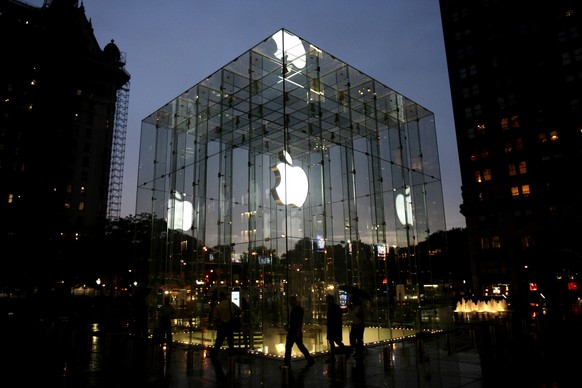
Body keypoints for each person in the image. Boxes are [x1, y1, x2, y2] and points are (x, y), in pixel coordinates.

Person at [283, 295, 315, 368]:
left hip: (294, 331)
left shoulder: (297, 309)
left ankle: (287, 363)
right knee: (300, 346)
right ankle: (310, 359)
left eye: (290, 301)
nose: (289, 303)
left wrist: (297, 330)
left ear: (294, 301)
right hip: (295, 330)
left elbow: (299, 321)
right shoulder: (297, 309)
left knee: (289, 347)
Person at [209, 291, 241, 358]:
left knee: (219, 341)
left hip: (222, 325)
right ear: (225, 297)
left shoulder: (218, 306)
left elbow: (215, 317)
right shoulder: (230, 304)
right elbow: (239, 310)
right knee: (230, 341)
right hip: (230, 324)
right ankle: (231, 354)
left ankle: (214, 354)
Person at [325, 294, 345, 363]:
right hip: (334, 327)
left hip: (333, 327)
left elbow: (332, 318)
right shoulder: (336, 307)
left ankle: (334, 356)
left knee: (334, 341)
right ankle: (343, 353)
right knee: (335, 341)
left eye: (327, 299)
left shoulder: (332, 307)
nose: (326, 301)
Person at [349, 295, 366, 360]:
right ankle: (357, 351)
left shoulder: (359, 308)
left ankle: (359, 352)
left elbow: (361, 316)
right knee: (352, 339)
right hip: (355, 324)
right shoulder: (353, 307)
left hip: (359, 325)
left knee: (358, 339)